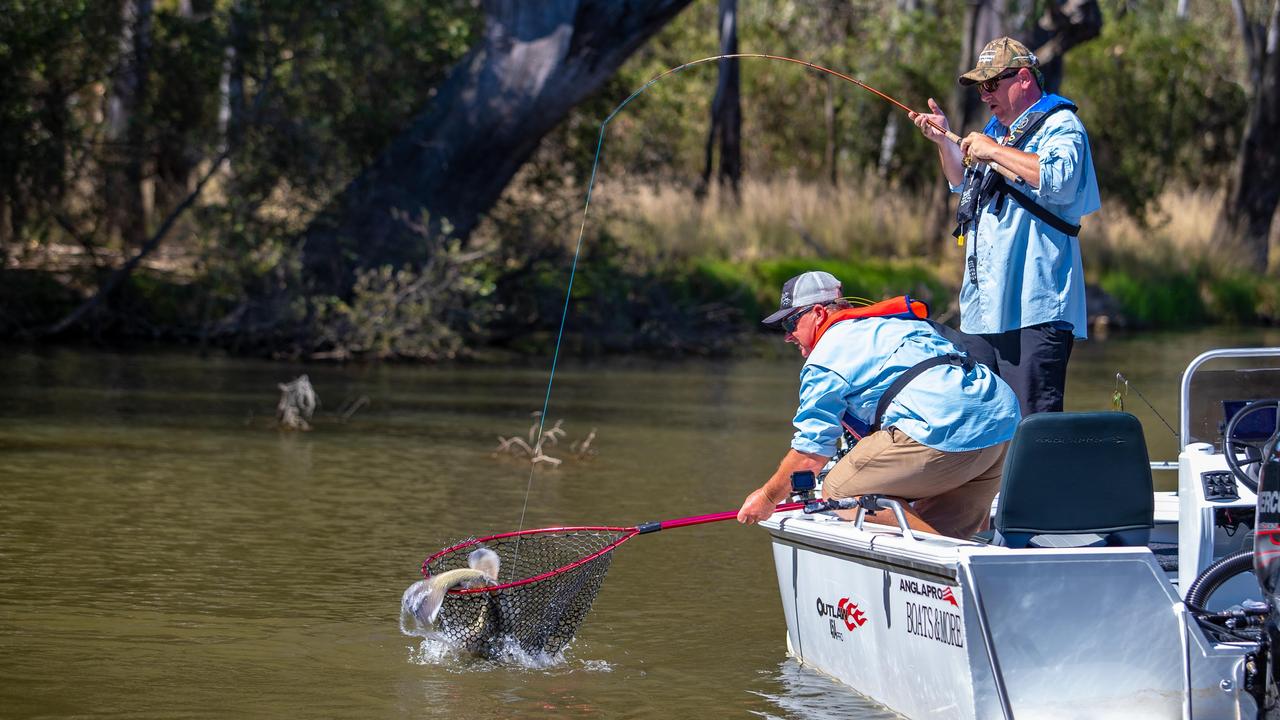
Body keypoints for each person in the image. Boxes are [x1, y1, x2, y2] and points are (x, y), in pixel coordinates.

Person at [736, 271, 1021, 539]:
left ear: (819, 313)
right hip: (1001, 426)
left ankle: (940, 560)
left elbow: (810, 454)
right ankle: (961, 569)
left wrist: (768, 498)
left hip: (943, 428)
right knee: (944, 535)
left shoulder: (825, 358)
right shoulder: (896, 324)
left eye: (790, 324)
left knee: (837, 490)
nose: (787, 336)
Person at [909, 37, 1100, 416]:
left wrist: (993, 151)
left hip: (1036, 306)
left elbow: (1058, 180)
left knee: (1034, 424)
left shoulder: (1062, 126)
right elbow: (962, 183)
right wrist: (943, 139)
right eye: (981, 86)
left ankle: (1042, 478)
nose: (985, 95)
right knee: (984, 422)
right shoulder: (997, 132)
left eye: (992, 84)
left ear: (1024, 78)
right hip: (985, 310)